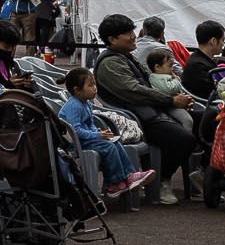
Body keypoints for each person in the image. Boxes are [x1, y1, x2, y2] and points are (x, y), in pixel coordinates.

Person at [92, 15, 197, 196]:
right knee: (185, 140)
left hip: (150, 110)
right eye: (128, 33)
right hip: (138, 117)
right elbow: (134, 91)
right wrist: (171, 101)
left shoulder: (125, 56)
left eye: (133, 31)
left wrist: (176, 98)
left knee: (205, 122)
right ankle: (160, 180)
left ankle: (200, 175)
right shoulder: (110, 63)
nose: (134, 36)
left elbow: (147, 84)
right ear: (112, 39)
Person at [60, 68, 153, 198]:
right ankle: (113, 183)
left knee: (114, 141)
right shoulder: (74, 105)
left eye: (94, 84)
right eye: (90, 85)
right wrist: (97, 136)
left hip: (84, 141)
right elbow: (75, 131)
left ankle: (130, 176)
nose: (95, 88)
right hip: (74, 144)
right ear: (77, 89)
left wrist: (97, 132)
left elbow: (89, 124)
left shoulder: (86, 103)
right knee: (108, 146)